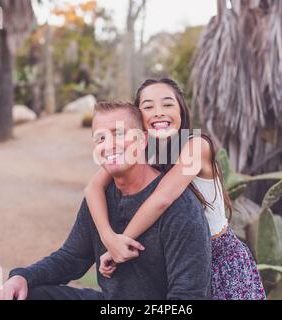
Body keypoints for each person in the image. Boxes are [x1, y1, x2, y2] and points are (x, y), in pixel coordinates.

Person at [0, 101, 212, 300]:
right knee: (29, 295)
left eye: (119, 134)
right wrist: (22, 277)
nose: (109, 145)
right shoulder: (101, 197)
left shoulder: (181, 208)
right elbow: (71, 258)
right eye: (101, 138)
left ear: (143, 140)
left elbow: (188, 296)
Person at [85, 79, 266, 300]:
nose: (159, 112)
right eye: (148, 107)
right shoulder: (144, 150)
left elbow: (162, 198)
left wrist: (122, 241)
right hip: (177, 264)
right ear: (138, 118)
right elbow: (94, 187)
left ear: (181, 109)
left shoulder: (197, 146)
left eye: (168, 104)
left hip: (220, 261)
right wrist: (109, 238)